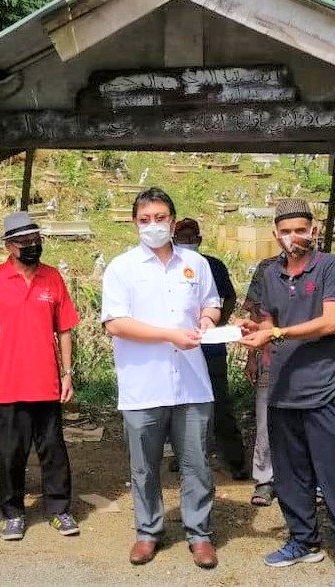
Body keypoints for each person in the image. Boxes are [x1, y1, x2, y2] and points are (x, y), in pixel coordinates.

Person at [239, 198, 335, 587]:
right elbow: (268, 323)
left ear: (313, 230)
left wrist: (276, 332)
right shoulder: (270, 273)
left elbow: (330, 323)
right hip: (281, 391)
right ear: (275, 234)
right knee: (290, 477)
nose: (293, 237)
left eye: (301, 229)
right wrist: (255, 330)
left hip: (322, 392)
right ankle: (303, 541)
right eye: (286, 231)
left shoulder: (330, 267)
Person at [101, 187, 222, 569]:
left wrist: (207, 321)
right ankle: (148, 531)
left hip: (191, 383)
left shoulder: (195, 263)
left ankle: (199, 534)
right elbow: (115, 323)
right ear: (135, 223)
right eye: (144, 219)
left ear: (173, 221)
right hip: (143, 385)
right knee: (144, 466)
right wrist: (170, 335)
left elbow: (211, 303)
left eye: (159, 218)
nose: (152, 225)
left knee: (197, 463)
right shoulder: (122, 267)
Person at [0, 211, 80, 541]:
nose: (32, 245)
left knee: (53, 450)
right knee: (9, 453)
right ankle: (13, 513)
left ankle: (58, 509)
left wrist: (67, 374)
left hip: (47, 382)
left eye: (35, 239)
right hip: (8, 384)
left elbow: (65, 330)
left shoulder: (52, 278)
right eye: (24, 241)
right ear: (9, 246)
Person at [172, 218, 247, 481]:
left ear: (200, 240)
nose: (187, 242)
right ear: (173, 240)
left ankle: (235, 460)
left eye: (191, 238)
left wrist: (218, 322)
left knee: (219, 403)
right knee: (181, 403)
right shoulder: (166, 268)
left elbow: (229, 296)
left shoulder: (212, 265)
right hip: (179, 346)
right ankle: (184, 456)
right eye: (182, 238)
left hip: (211, 346)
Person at [242, 254, 282, 507]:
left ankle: (306, 480)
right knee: (265, 419)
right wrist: (252, 357)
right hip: (270, 354)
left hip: (306, 359)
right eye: (285, 234)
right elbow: (255, 315)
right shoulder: (267, 268)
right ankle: (265, 479)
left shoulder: (324, 268)